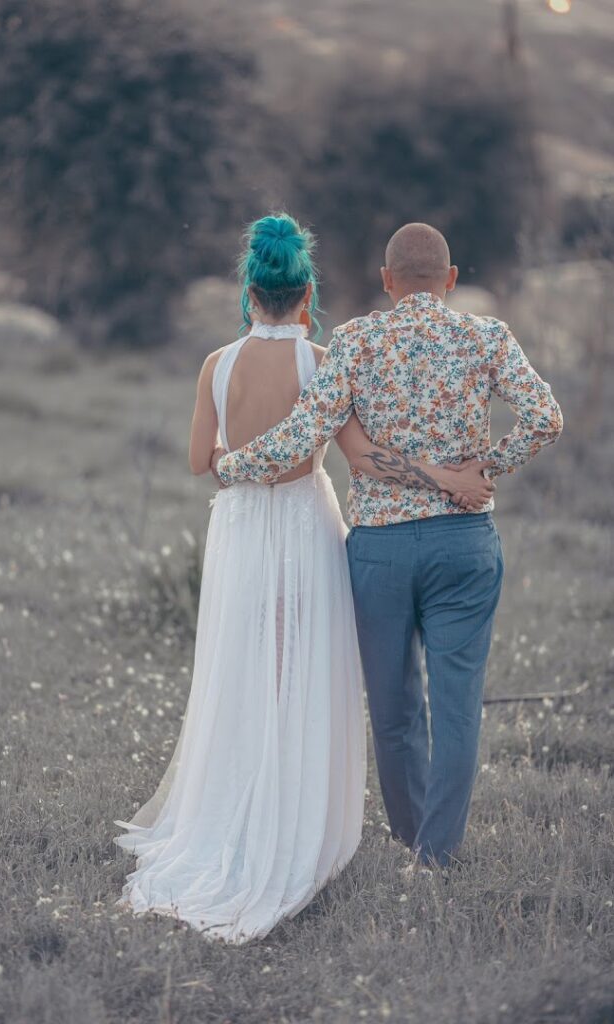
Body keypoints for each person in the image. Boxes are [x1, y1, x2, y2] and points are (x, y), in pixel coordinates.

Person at [113, 215, 493, 942]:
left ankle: (231, 810)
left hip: (241, 529)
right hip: (304, 524)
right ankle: (297, 819)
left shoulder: (215, 365)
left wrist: (232, 461)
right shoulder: (323, 359)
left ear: (247, 290)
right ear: (307, 291)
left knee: (243, 671)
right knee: (306, 673)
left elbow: (202, 462)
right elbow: (363, 457)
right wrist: (445, 476)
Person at [215, 221, 563, 870]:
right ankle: (436, 854)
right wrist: (486, 469)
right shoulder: (485, 335)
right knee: (457, 704)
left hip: (378, 551)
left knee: (394, 706)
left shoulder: (354, 340)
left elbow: (303, 433)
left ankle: (410, 838)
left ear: (385, 281)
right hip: (463, 544)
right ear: (451, 280)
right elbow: (545, 416)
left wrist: (230, 464)